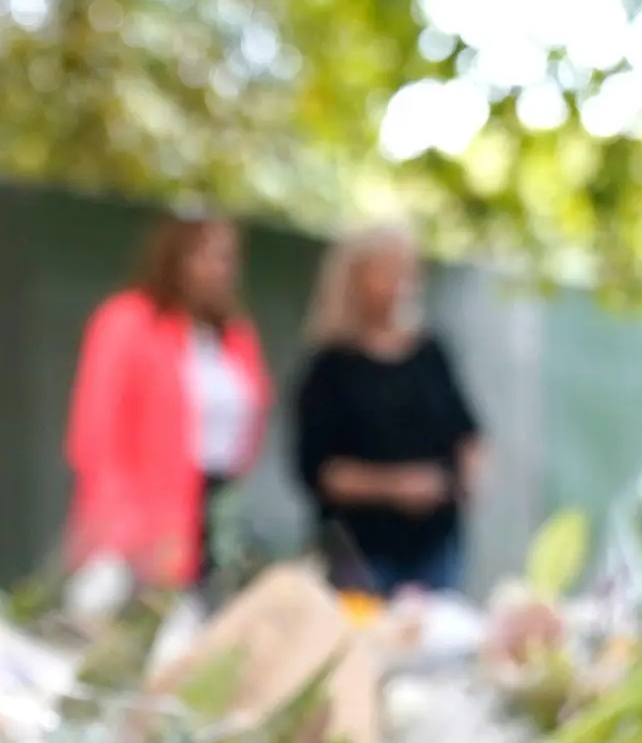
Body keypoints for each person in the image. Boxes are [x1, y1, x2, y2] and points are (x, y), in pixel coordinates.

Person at [63, 211, 268, 590]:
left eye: (227, 258)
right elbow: (94, 430)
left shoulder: (236, 336)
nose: (219, 270)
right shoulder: (128, 321)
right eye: (206, 255)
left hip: (216, 514)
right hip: (141, 522)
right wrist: (117, 526)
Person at [292, 223, 482, 596]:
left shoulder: (430, 354)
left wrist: (465, 481)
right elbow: (318, 470)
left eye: (407, 271)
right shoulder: (331, 368)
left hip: (435, 548)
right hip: (360, 552)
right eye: (388, 271)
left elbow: (467, 430)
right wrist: (397, 487)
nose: (400, 284)